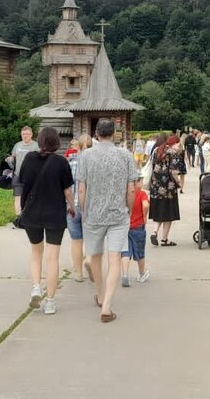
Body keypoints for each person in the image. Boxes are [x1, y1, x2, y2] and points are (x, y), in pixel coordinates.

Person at [77, 118, 139, 323]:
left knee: (95, 256)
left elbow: (82, 188)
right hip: (118, 214)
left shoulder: (86, 155)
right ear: (114, 134)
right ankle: (106, 307)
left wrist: (84, 211)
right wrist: (128, 210)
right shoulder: (125, 155)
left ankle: (100, 293)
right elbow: (132, 188)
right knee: (114, 261)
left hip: (93, 213)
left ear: (96, 134)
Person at [17, 127, 75, 314]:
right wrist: (72, 207)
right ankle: (50, 301)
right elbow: (67, 191)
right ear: (56, 142)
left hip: (32, 213)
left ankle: (36, 287)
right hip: (55, 214)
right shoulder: (61, 162)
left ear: (39, 141)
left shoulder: (29, 159)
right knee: (53, 258)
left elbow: (23, 181)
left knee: (36, 252)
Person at [148, 134, 185, 247]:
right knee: (168, 214)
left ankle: (154, 232)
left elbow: (153, 166)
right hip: (168, 189)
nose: (179, 146)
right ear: (174, 143)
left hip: (155, 187)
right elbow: (173, 172)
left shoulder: (157, 150)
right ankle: (164, 239)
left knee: (159, 211)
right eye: (178, 144)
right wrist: (179, 183)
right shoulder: (173, 154)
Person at [65, 134, 92, 283]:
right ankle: (89, 259)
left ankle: (78, 273)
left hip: (72, 205)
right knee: (91, 238)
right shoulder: (96, 163)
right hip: (90, 206)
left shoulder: (71, 163)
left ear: (78, 146)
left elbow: (66, 187)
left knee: (76, 240)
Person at [120, 183, 150, 287]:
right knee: (140, 251)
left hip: (125, 226)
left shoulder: (124, 194)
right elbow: (145, 205)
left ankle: (125, 275)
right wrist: (145, 216)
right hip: (138, 226)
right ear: (137, 183)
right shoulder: (142, 194)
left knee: (125, 252)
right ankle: (141, 274)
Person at [10, 126, 39, 227]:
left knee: (30, 197)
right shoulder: (17, 145)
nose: (25, 136)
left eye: (27, 134)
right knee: (17, 197)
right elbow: (13, 157)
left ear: (31, 135)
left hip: (31, 176)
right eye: (23, 134)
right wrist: (9, 159)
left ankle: (30, 217)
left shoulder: (36, 146)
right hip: (18, 175)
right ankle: (19, 219)